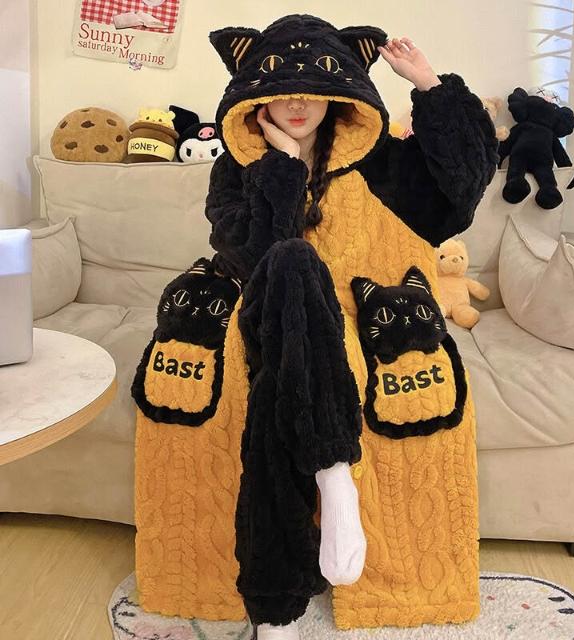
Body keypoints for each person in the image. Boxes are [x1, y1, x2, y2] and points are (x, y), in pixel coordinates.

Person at [134, 13, 498, 640]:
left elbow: (462, 190)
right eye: (282, 91)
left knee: (275, 394)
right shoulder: (237, 168)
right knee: (291, 264)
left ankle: (276, 608)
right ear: (256, 98)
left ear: (338, 96)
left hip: (350, 315)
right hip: (265, 310)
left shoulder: (381, 163)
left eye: (314, 90)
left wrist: (430, 85)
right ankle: (334, 476)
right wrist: (282, 167)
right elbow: (257, 258)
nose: (298, 104)